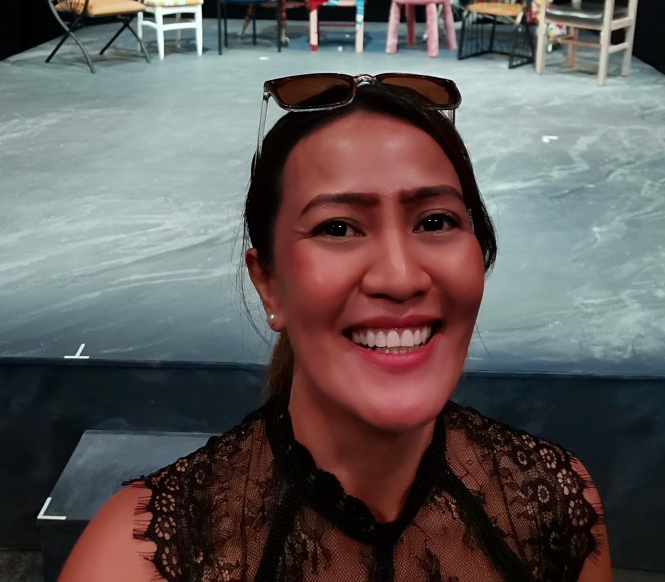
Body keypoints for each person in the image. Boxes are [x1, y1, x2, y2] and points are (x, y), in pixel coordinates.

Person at [59, 71, 611, 581]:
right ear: (269, 283)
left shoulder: (557, 506)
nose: (400, 277)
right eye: (338, 228)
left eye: (435, 221)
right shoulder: (135, 561)